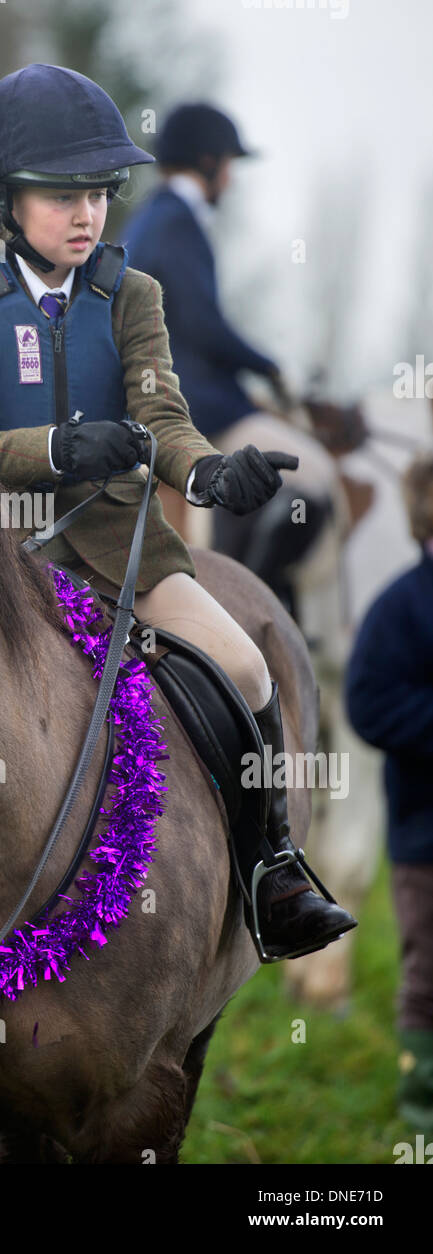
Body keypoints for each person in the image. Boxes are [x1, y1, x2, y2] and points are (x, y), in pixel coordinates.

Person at [0, 63, 356, 962]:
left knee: (244, 665)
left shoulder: (134, 298)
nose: (86, 215)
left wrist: (207, 479)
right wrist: (51, 450)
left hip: (124, 550)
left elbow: (163, 421)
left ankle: (271, 870)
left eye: (99, 194)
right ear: (2, 201)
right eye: (62, 196)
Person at [120, 103, 344, 620]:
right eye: (230, 165)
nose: (233, 178)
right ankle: (249, 602)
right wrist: (270, 367)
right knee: (316, 474)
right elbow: (202, 326)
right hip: (196, 402)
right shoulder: (178, 223)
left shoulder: (148, 219)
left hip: (171, 392)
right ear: (207, 160)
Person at [345, 453, 433, 1128]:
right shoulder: (400, 606)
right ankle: (421, 1098)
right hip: (425, 836)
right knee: (427, 974)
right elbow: (370, 705)